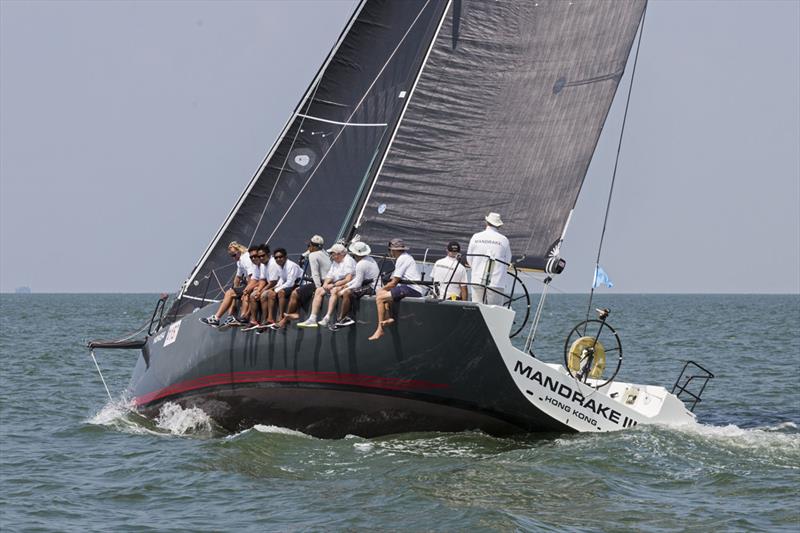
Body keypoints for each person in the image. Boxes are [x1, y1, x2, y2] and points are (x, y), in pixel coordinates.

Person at [368, 239, 426, 341]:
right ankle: (389, 318)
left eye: (390, 250)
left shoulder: (402, 259)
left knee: (380, 297)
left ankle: (380, 329)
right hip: (408, 287)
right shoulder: (405, 257)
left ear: (392, 250)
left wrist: (380, 289)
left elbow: (394, 282)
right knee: (385, 294)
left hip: (412, 289)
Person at [277, 235, 331, 329]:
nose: (308, 247)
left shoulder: (313, 255)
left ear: (313, 246)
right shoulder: (324, 252)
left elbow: (315, 274)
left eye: (309, 245)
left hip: (321, 282)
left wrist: (318, 288)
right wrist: (303, 255)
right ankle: (294, 314)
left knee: (295, 293)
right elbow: (310, 251)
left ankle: (286, 319)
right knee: (300, 290)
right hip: (329, 281)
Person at [297, 243, 356, 328]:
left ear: (339, 254)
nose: (330, 255)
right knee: (318, 290)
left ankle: (327, 317)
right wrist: (325, 284)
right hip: (336, 284)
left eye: (332, 253)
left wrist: (333, 285)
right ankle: (312, 319)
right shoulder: (336, 261)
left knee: (334, 290)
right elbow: (330, 275)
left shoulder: (348, 261)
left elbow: (348, 279)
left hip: (348, 284)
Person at [200, 241, 255, 326]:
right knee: (231, 292)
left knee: (230, 293)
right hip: (247, 283)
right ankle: (230, 317)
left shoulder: (245, 258)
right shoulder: (239, 261)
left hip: (254, 283)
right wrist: (234, 289)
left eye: (234, 255)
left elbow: (252, 277)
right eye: (231, 256)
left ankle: (216, 318)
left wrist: (246, 290)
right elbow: (238, 277)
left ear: (239, 251)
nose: (233, 258)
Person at [331, 241, 380, 329]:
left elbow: (358, 283)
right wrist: (345, 285)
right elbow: (357, 279)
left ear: (356, 254)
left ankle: (343, 319)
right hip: (370, 285)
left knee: (347, 293)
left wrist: (344, 290)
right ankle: (347, 317)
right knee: (347, 291)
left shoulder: (361, 264)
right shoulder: (369, 259)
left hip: (373, 288)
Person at [467, 212, 512, 305]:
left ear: (486, 222)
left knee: (477, 308)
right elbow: (508, 260)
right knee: (495, 310)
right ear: (499, 226)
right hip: (496, 281)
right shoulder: (503, 239)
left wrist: (476, 268)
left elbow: (469, 258)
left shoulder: (475, 237)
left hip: (477, 279)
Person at [264, 248, 303, 326]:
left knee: (281, 292)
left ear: (285, 257)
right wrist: (272, 289)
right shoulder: (279, 266)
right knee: (270, 293)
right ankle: (269, 319)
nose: (278, 259)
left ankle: (281, 316)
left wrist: (276, 290)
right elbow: (281, 280)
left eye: (280, 257)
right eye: (276, 258)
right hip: (291, 284)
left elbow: (290, 283)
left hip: (300, 284)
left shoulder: (291, 265)